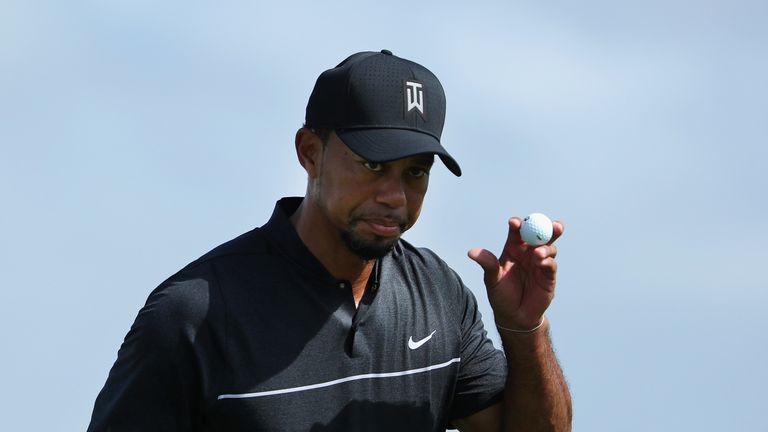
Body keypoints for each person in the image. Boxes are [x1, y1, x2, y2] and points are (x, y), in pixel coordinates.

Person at [88, 50, 572, 431]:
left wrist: (526, 330)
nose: (394, 197)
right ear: (310, 153)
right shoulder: (191, 316)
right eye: (373, 165)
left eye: (415, 173)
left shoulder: (440, 296)